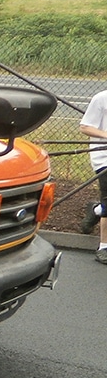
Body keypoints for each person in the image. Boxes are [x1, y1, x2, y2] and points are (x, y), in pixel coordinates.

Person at [79, 89, 107, 264]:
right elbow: (85, 127)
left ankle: (96, 210)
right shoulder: (101, 98)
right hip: (104, 157)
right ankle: (104, 247)